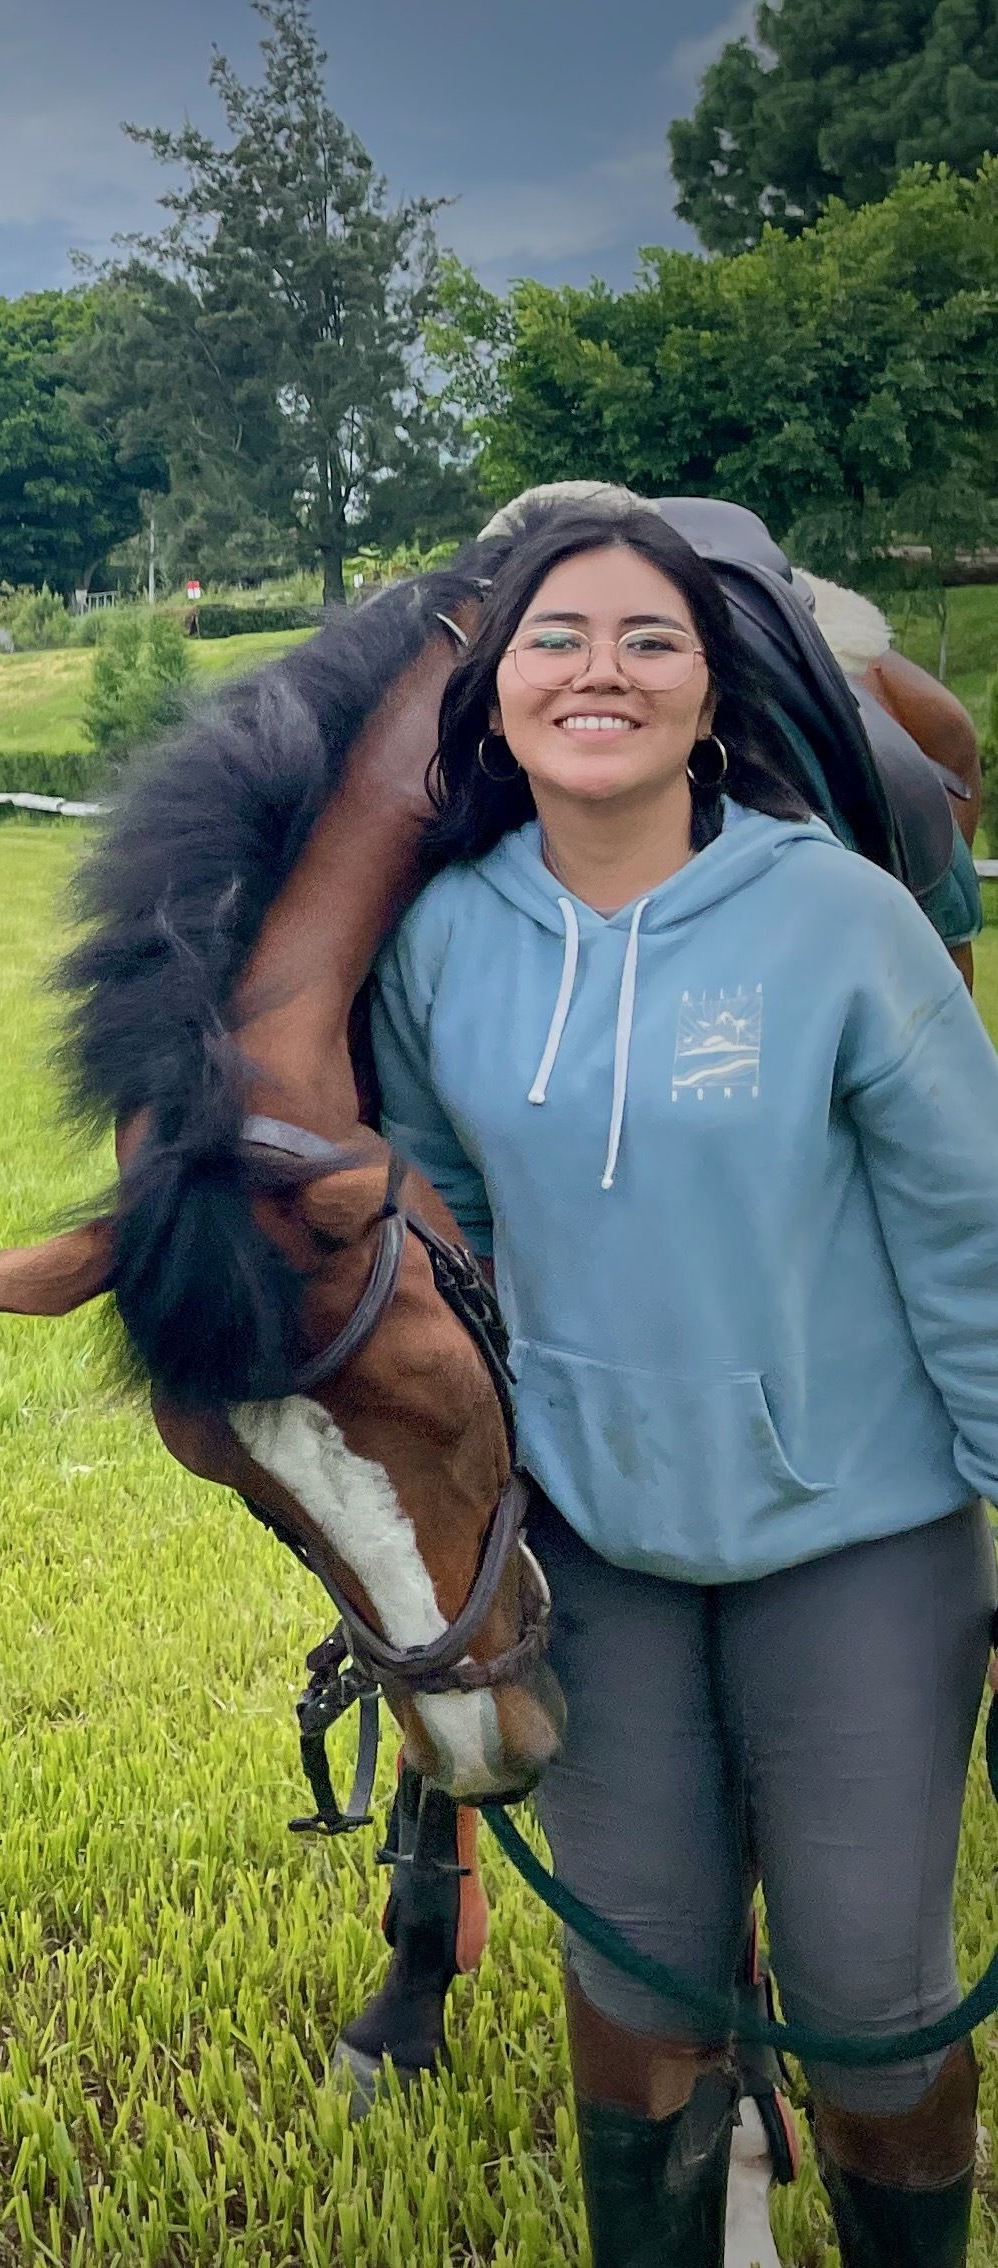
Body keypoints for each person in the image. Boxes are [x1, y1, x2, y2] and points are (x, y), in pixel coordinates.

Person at [371, 505, 998, 2267]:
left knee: (875, 1989)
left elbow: (973, 1238)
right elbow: (449, 1236)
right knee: (636, 1973)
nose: (601, 674)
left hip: (858, 1538)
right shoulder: (442, 945)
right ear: (497, 698)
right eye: (557, 639)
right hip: (601, 1555)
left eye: (651, 639)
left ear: (710, 692)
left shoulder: (841, 922)